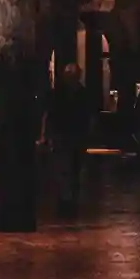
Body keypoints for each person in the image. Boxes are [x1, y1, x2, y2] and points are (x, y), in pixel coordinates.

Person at [47, 63, 90, 215]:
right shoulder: (59, 93)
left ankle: (70, 198)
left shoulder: (82, 94)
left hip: (76, 135)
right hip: (63, 134)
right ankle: (65, 198)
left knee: (74, 168)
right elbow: (51, 114)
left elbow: (87, 116)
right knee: (64, 168)